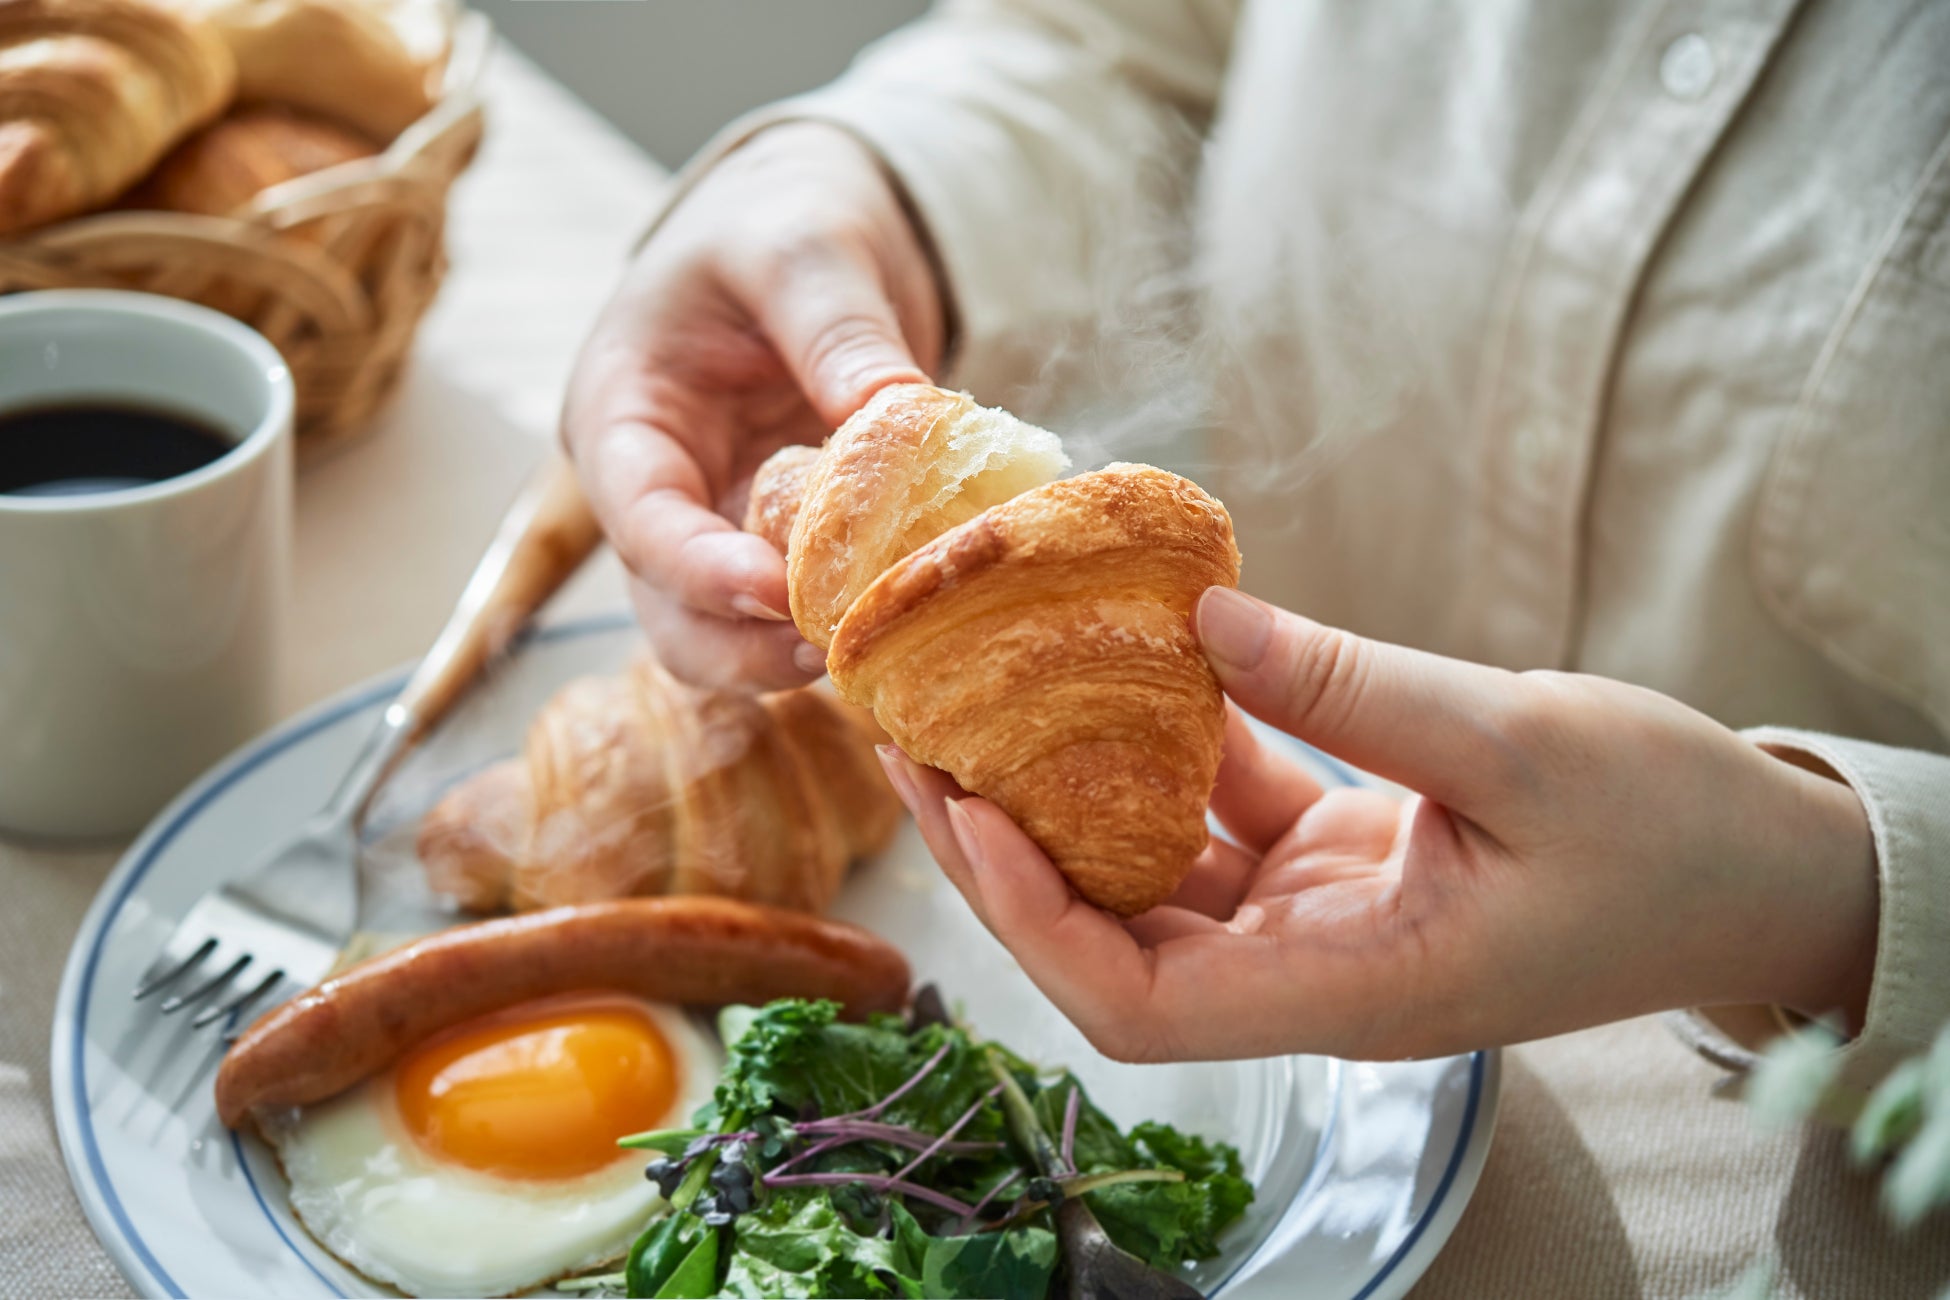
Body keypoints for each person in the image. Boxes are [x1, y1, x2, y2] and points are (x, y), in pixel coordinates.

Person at [560, 2, 1949, 1090]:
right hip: (1266, 865)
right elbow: (1116, 42)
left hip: (1834, 1118)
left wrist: (1829, 890)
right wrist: (868, 187)